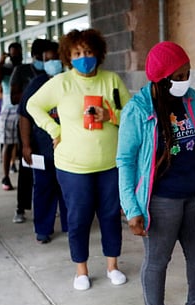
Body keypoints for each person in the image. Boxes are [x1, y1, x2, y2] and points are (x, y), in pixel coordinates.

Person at [117, 41, 195, 305]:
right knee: (157, 261)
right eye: (180, 74)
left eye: (187, 72)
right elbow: (126, 160)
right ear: (162, 78)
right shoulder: (138, 109)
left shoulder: (189, 99)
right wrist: (131, 207)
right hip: (161, 200)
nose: (187, 79)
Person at [26, 28, 130, 291]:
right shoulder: (61, 82)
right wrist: (54, 130)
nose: (84, 57)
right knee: (79, 217)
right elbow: (32, 106)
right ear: (68, 57)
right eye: (77, 53)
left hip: (109, 164)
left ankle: (112, 265)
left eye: (88, 52)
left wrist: (110, 117)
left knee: (109, 215)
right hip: (73, 166)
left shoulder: (111, 80)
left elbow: (129, 113)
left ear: (98, 53)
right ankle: (81, 270)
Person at [18, 40, 68, 244]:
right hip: (42, 147)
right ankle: (43, 229)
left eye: (55, 58)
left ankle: (70, 224)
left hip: (67, 147)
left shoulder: (69, 81)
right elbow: (24, 115)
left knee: (68, 188)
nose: (52, 62)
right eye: (47, 59)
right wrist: (26, 145)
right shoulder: (37, 84)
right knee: (44, 188)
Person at [8, 39, 51, 222]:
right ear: (37, 56)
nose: (52, 61)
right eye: (48, 57)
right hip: (28, 126)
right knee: (27, 167)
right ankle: (21, 207)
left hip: (48, 128)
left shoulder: (53, 74)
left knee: (49, 172)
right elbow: (13, 97)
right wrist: (32, 95)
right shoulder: (22, 71)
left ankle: (49, 207)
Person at [0, 42, 24, 208]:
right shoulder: (5, 69)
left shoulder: (25, 68)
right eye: (13, 54)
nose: (16, 56)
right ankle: (5, 176)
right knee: (8, 144)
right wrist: (1, 62)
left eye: (18, 53)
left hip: (25, 110)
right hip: (8, 110)